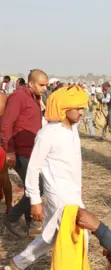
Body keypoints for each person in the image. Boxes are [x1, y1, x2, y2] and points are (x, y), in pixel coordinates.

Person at [6, 85, 89, 270]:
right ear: (63, 108)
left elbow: (75, 163)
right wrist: (35, 200)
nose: (82, 113)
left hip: (72, 191)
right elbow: (34, 168)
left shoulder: (73, 129)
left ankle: (16, 264)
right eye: (78, 109)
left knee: (51, 235)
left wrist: (79, 186)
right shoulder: (48, 133)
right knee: (79, 234)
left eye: (83, 108)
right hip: (59, 194)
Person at [2, 70, 48, 238]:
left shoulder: (34, 98)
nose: (44, 88)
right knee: (38, 187)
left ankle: (31, 224)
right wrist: (10, 151)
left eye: (46, 85)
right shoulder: (18, 97)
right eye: (41, 85)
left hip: (32, 151)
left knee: (33, 187)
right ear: (31, 83)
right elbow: (7, 124)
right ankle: (12, 218)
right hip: (21, 151)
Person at [0, 87, 12, 214]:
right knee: (4, 177)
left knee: (3, 177)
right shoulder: (4, 97)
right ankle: (9, 207)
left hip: (2, 142)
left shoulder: (3, 97)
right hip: (3, 141)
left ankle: (9, 206)